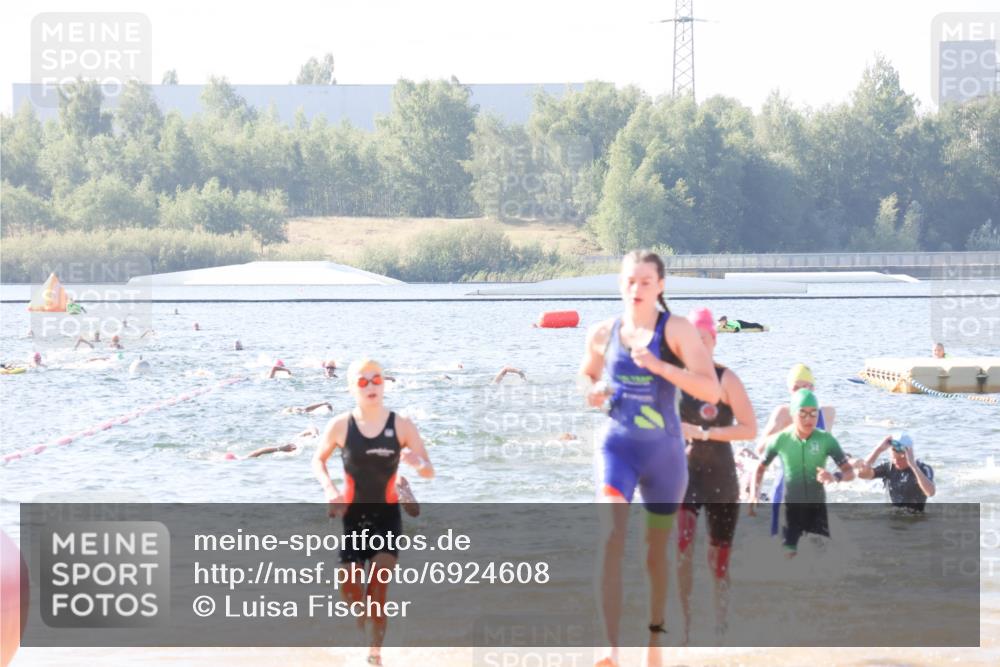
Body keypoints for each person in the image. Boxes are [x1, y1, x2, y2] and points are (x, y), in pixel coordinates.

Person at [579, 250, 721, 667]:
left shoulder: (675, 330)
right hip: (617, 448)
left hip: (665, 457)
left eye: (645, 281)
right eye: (629, 280)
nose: (636, 288)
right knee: (610, 538)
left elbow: (710, 390)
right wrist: (591, 389)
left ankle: (654, 645)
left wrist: (661, 367)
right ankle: (609, 648)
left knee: (654, 554)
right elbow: (586, 374)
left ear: (660, 286)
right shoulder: (603, 332)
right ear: (619, 284)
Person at [312, 358, 434, 666]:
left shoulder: (402, 425)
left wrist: (415, 463)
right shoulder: (340, 425)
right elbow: (318, 460)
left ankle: (374, 655)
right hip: (354, 519)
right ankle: (365, 623)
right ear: (352, 387)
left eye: (376, 379)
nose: (371, 386)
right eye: (363, 381)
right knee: (350, 590)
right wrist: (329, 490)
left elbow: (429, 469)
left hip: (387, 519)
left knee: (377, 590)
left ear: (384, 383)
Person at [675, 307, 757, 643]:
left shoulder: (727, 380)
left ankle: (721, 626)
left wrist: (704, 432)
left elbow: (750, 429)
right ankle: (685, 622)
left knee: (718, 562)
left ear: (714, 340)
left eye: (705, 339)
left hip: (722, 480)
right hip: (686, 479)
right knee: (682, 548)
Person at [749, 389, 854, 557]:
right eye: (803, 413)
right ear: (793, 414)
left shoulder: (826, 439)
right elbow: (760, 467)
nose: (808, 419)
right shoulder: (781, 439)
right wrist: (754, 495)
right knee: (788, 556)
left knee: (821, 558)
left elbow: (849, 472)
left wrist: (834, 477)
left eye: (813, 414)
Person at [756, 363, 837, 537]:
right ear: (789, 390)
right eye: (796, 387)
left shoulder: (828, 414)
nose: (801, 391)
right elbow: (760, 447)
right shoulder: (783, 413)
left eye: (806, 386)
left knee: (819, 553)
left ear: (813, 388)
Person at [854, 433, 935, 511]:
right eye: (894, 458)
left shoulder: (923, 468)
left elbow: (930, 492)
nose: (896, 462)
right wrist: (878, 450)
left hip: (916, 519)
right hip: (893, 517)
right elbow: (861, 474)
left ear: (909, 456)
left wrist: (913, 465)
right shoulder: (889, 467)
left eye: (900, 459)